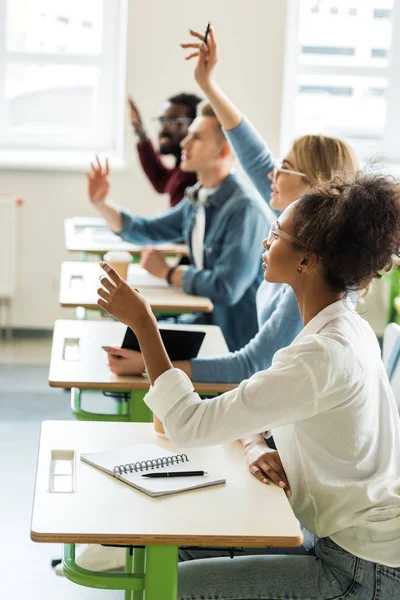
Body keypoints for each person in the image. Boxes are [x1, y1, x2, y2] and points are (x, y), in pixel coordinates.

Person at [97, 171, 400, 599]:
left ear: (306, 261)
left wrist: (144, 323)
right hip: (338, 539)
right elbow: (258, 407)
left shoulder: (320, 356)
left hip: (360, 568)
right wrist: (255, 443)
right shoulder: (341, 328)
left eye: (276, 233)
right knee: (182, 549)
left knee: (170, 588)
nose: (265, 242)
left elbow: (187, 424)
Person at [106, 29, 358, 392]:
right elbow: (252, 154)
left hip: (277, 413)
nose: (271, 173)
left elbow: (252, 365)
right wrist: (207, 84)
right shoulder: (298, 234)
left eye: (283, 168)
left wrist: (153, 363)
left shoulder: (310, 273)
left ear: (312, 187)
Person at [86, 102, 270, 352]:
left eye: (196, 137)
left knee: (139, 346)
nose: (184, 143)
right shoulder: (197, 197)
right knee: (131, 337)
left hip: (234, 343)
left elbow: (226, 288)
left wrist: (168, 273)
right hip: (207, 325)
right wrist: (101, 203)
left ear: (223, 152)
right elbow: (148, 230)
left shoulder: (244, 210)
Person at [128, 92, 202, 208]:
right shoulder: (183, 167)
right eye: (162, 120)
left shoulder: (196, 174)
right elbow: (163, 180)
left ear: (196, 126)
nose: (163, 129)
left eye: (173, 122)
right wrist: (141, 133)